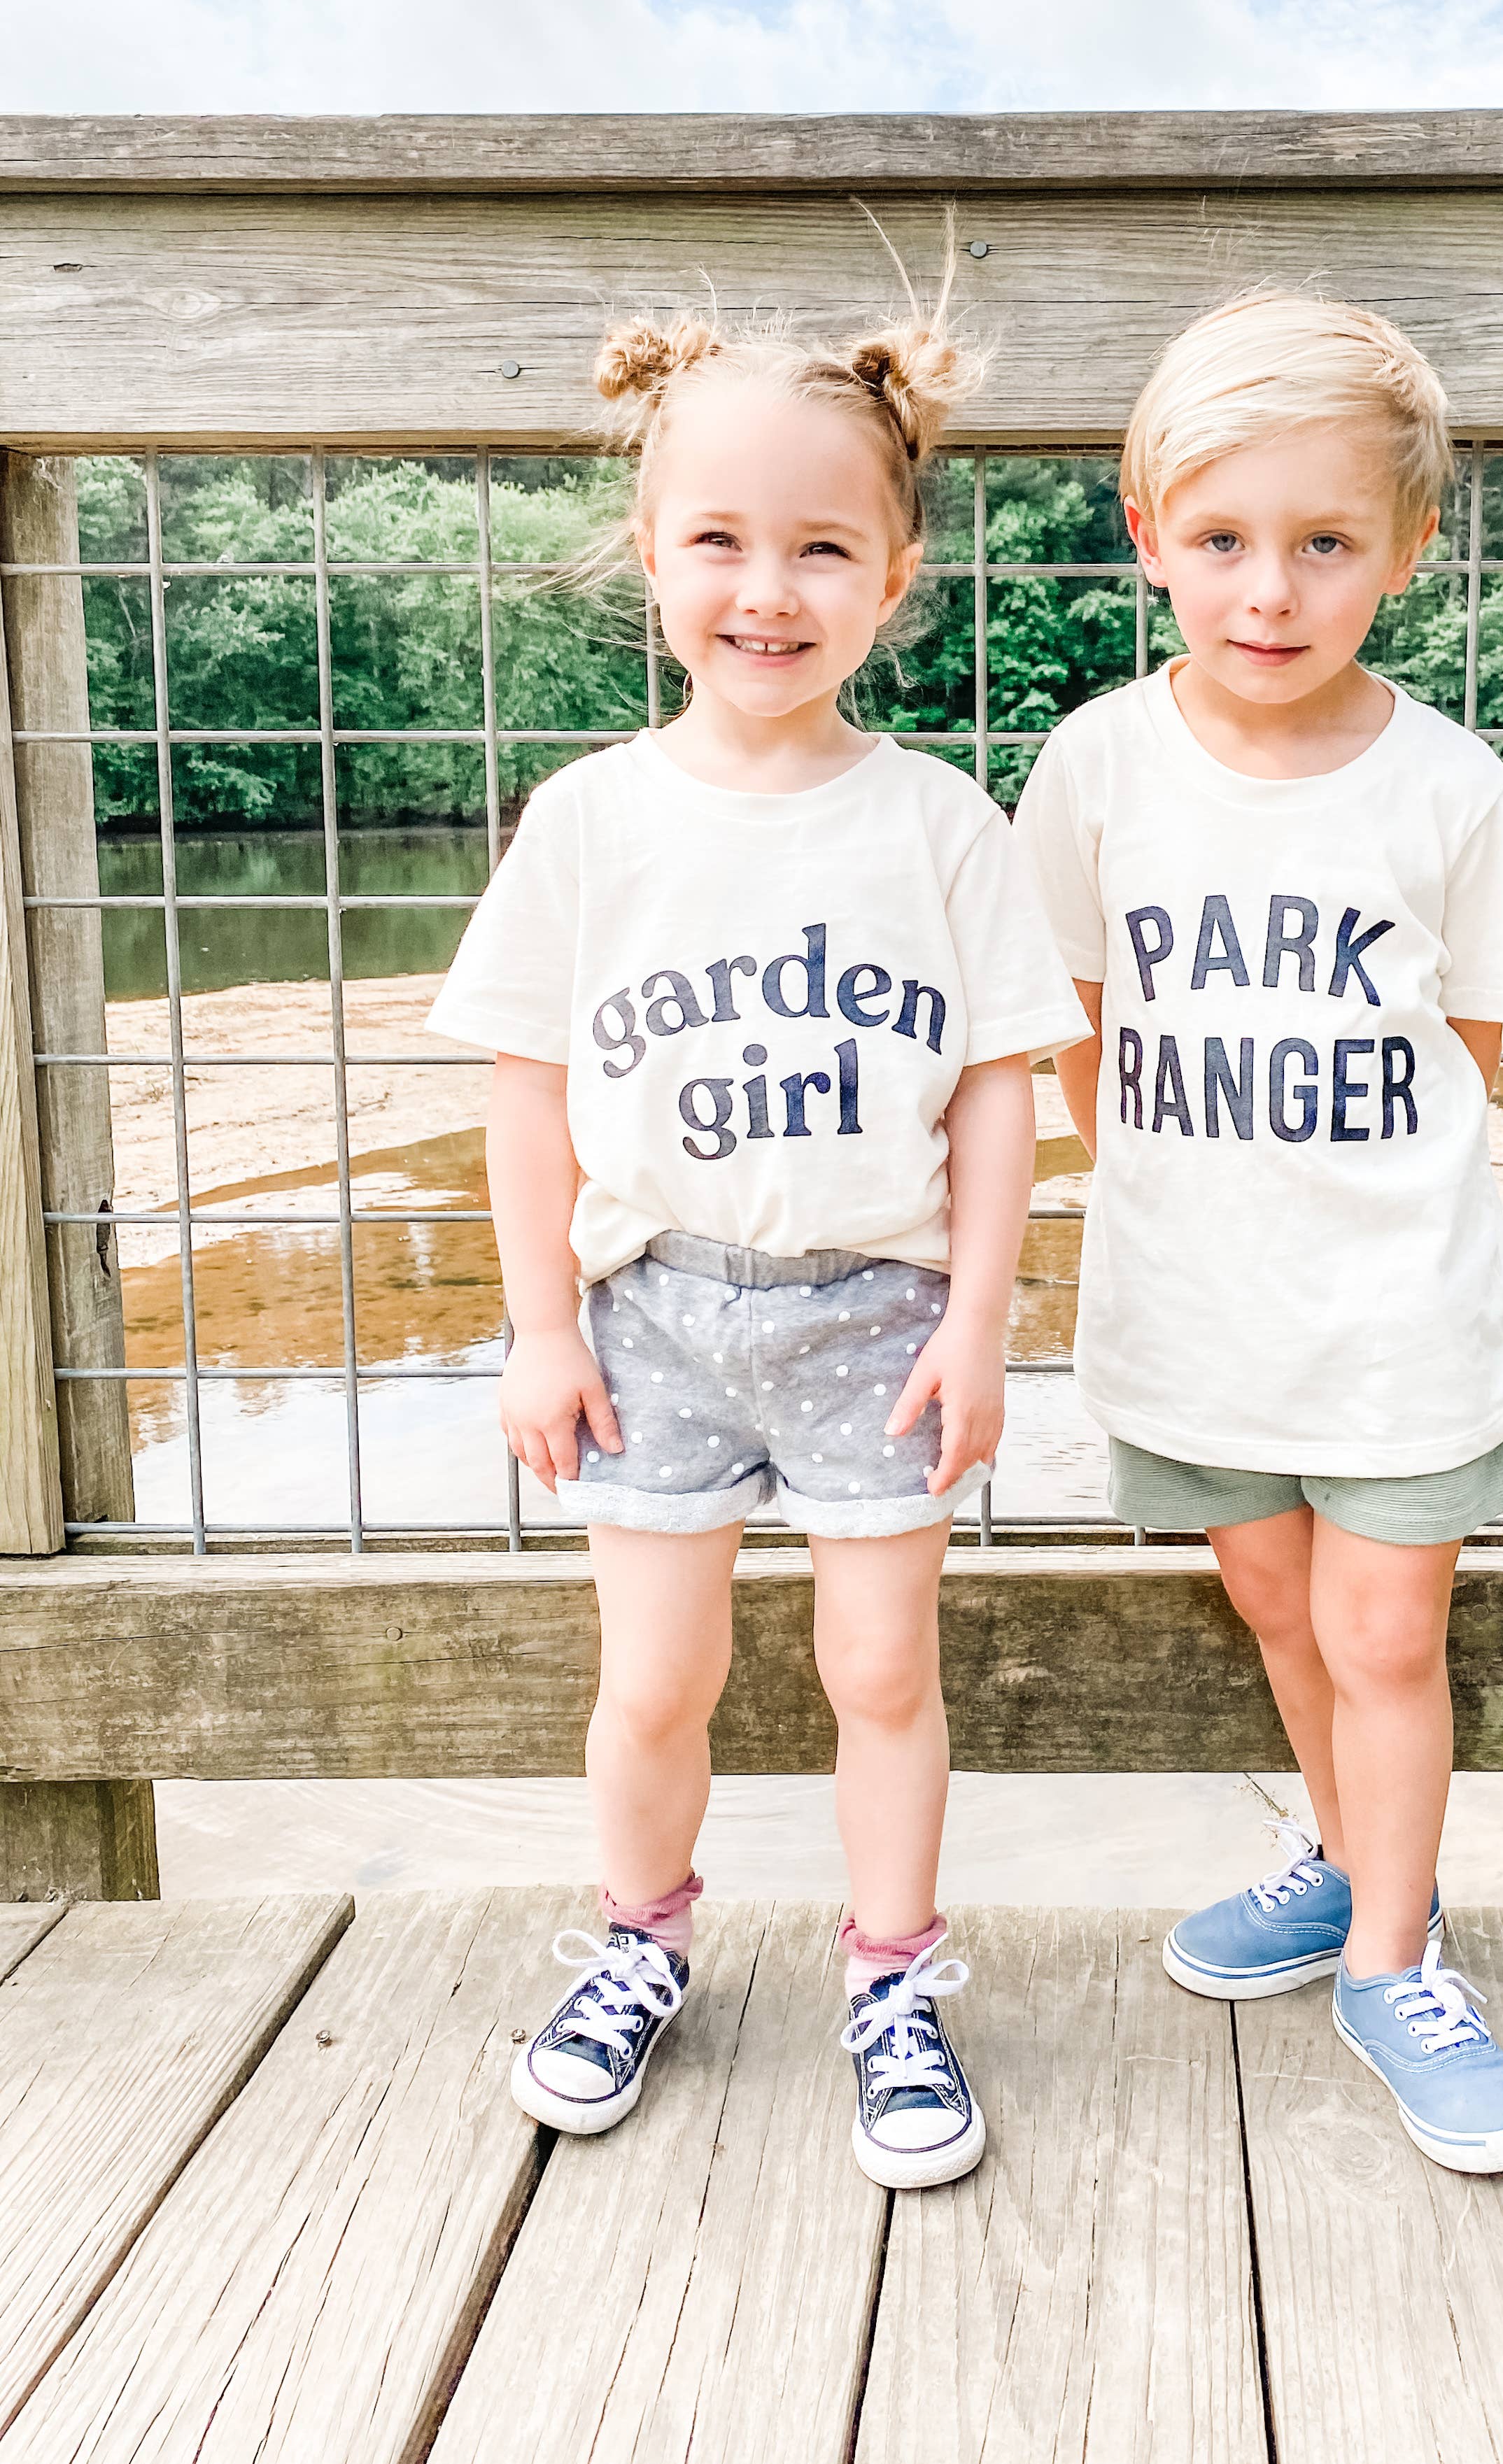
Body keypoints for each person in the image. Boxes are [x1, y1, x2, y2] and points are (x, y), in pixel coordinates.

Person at [430, 296, 1087, 2188]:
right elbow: (529, 1091)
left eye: (820, 548)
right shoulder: (590, 819)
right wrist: (540, 1324)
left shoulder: (940, 823)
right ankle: (638, 1942)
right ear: (651, 553)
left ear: (895, 574)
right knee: (654, 1680)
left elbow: (996, 1092)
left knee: (882, 1672)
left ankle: (892, 1976)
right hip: (654, 1311)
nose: (767, 590)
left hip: (875, 1312)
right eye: (718, 539)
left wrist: (980, 1318)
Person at [1015, 292, 1503, 2174]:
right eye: (1225, 538)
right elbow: (1076, 1022)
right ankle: (1341, 1860)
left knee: (1382, 1626)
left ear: (1405, 550)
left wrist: (1342, 1209)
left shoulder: (1448, 787)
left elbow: (1462, 1055)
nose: (1270, 589)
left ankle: (1397, 1963)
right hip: (1192, 1298)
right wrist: (1187, 1192)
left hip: (1399, 1307)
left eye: (1326, 541)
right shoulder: (1095, 766)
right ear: (1147, 532)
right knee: (1270, 1600)